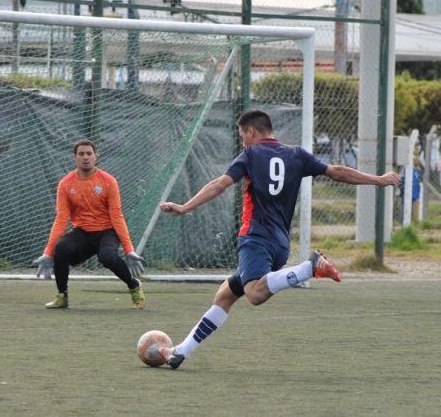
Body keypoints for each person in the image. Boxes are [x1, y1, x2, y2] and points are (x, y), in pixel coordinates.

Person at [158, 109, 400, 369]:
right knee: (226, 295)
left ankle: (310, 267)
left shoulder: (250, 155)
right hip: (280, 244)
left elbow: (219, 184)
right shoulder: (297, 155)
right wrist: (379, 180)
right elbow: (338, 171)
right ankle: (180, 352)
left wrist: (184, 207)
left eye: (242, 136)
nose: (243, 142)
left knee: (254, 293)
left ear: (252, 131)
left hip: (255, 237)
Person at [32, 139, 147, 309]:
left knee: (107, 256)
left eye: (89, 153)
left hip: (107, 232)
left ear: (95, 157)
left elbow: (117, 216)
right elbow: (61, 218)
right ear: (75, 158)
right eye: (81, 154)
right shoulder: (65, 184)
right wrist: (48, 252)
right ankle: (62, 296)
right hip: (82, 233)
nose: (85, 157)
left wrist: (129, 249)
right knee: (61, 248)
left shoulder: (109, 182)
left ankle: (133, 285)